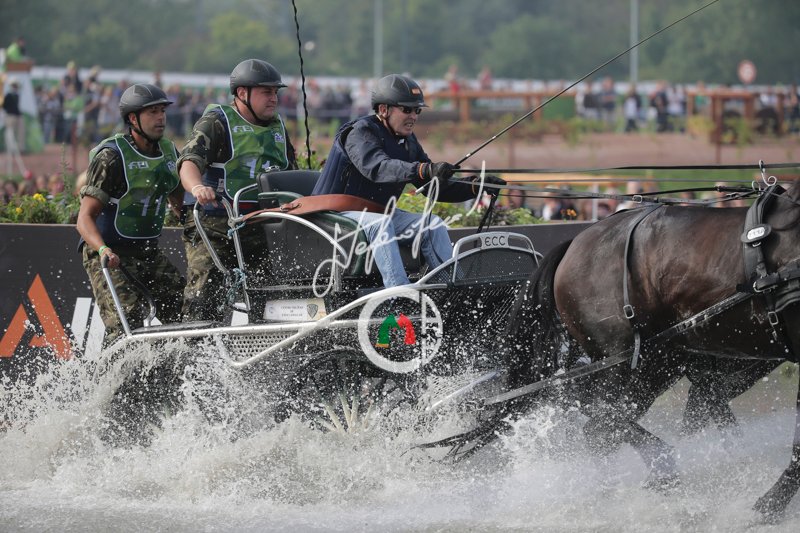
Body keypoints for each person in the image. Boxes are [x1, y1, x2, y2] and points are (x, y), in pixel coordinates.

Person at [311, 73, 505, 287]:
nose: (413, 116)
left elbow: (433, 187)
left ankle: (455, 290)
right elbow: (378, 167)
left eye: (417, 110)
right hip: (334, 216)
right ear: (383, 110)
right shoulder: (360, 133)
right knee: (380, 223)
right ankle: (399, 294)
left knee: (432, 224)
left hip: (376, 215)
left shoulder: (408, 142)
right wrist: (423, 169)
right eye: (406, 109)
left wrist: (475, 186)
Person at [179, 58, 298, 320]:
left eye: (275, 92)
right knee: (204, 294)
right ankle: (192, 342)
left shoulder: (278, 127)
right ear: (242, 93)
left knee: (275, 292)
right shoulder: (216, 122)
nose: (274, 98)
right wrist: (198, 187)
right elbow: (188, 163)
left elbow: (292, 173)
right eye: (266, 92)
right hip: (215, 225)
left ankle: (267, 339)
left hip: (259, 224)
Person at [76, 83, 185, 343]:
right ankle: (110, 371)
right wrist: (103, 250)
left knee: (186, 312)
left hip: (147, 251)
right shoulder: (111, 157)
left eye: (162, 111)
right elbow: (84, 218)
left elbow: (178, 199)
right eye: (152, 112)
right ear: (133, 119)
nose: (160, 118)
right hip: (108, 253)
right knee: (127, 323)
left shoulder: (170, 152)